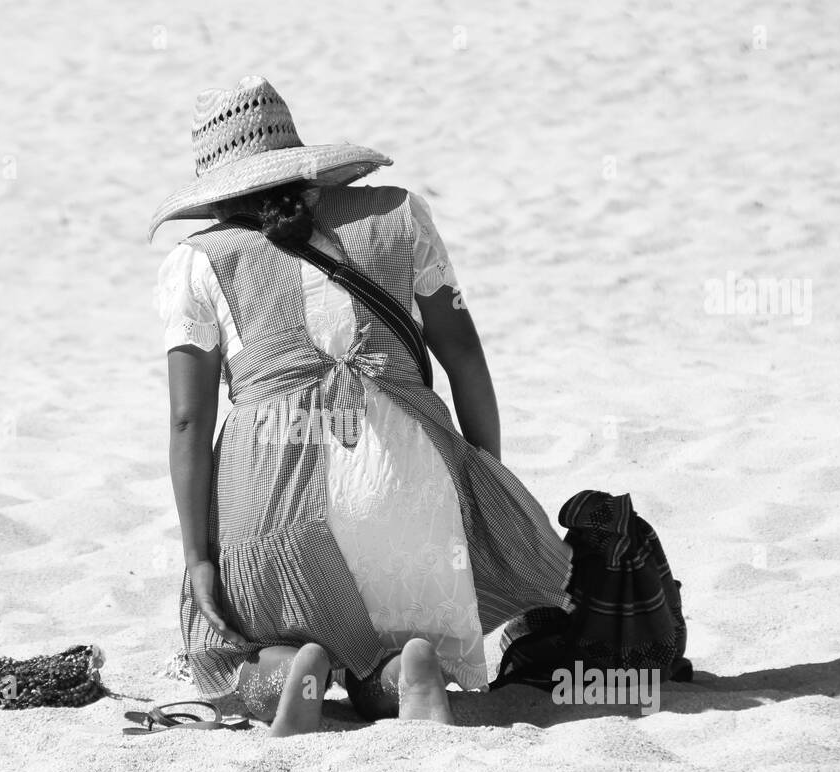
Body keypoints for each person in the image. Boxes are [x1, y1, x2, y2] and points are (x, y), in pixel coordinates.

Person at [150, 76, 572, 736]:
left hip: (273, 494)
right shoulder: (399, 213)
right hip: (409, 485)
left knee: (234, 656)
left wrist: (199, 556)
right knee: (391, 631)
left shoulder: (197, 261)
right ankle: (406, 670)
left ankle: (287, 668)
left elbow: (187, 420)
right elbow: (463, 355)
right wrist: (482, 475)